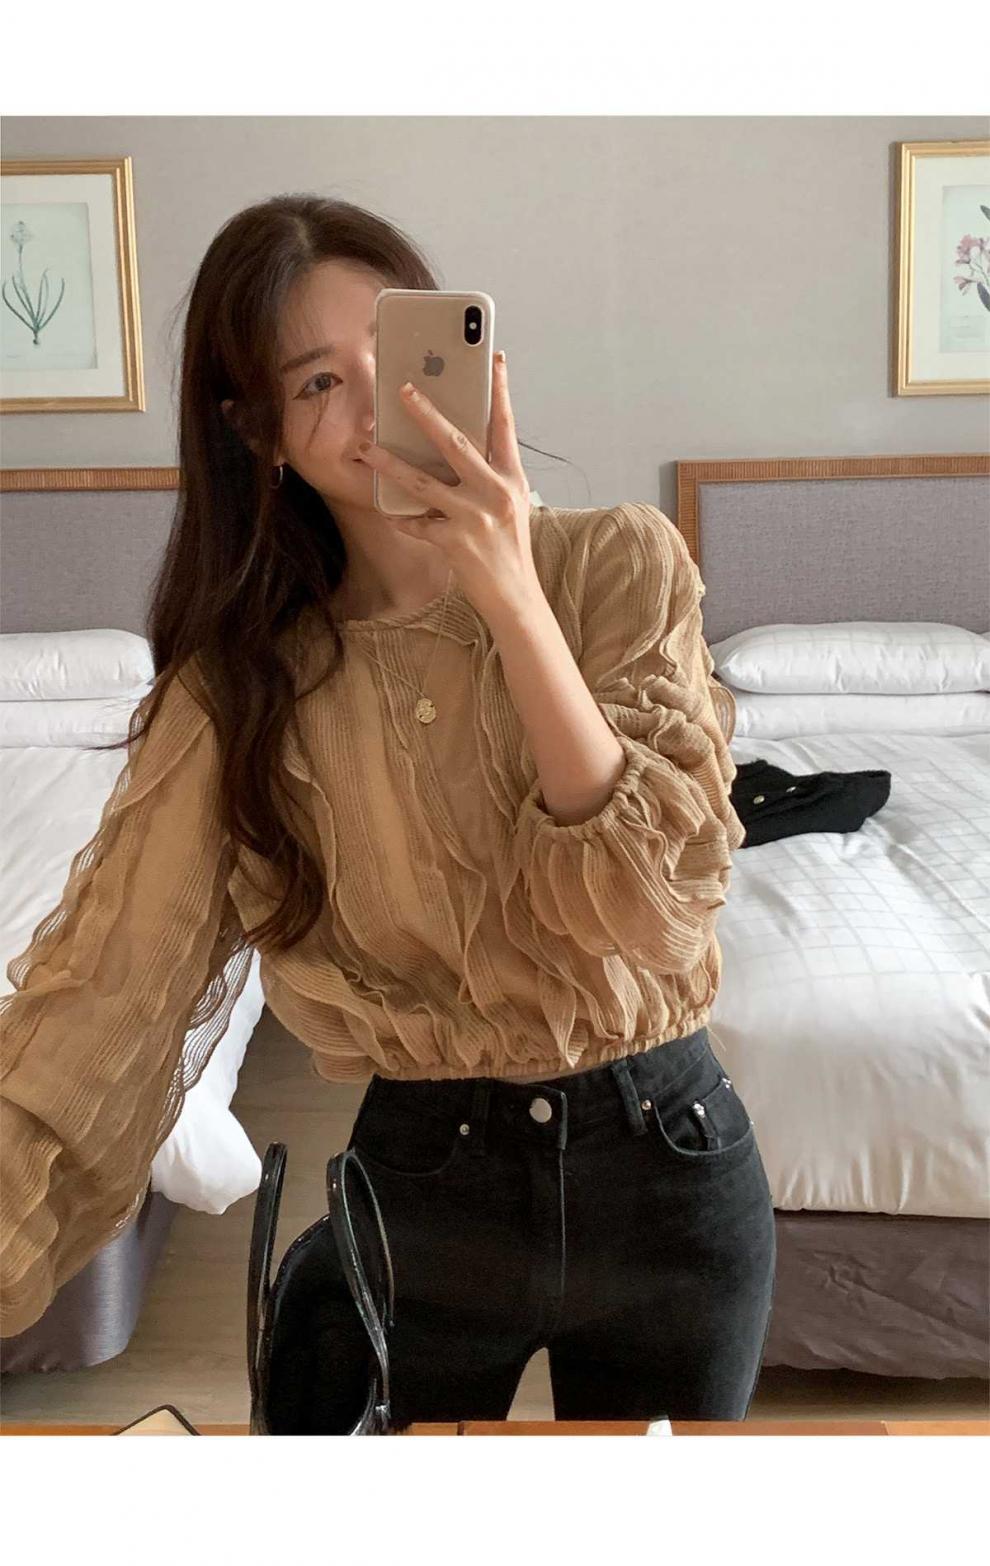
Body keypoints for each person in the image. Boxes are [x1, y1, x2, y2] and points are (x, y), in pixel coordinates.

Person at [0, 194, 775, 1429]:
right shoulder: (240, 695)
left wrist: (509, 592)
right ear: (260, 434)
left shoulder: (618, 567)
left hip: (668, 1177)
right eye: (319, 383)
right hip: (422, 1197)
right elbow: (103, 1000)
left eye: (395, 352)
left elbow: (649, 911)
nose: (379, 407)